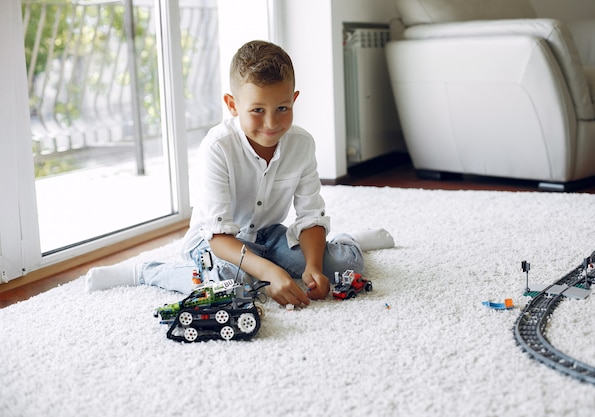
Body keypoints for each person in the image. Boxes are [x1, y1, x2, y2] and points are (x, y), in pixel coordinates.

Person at [85, 40, 394, 307]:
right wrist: (273, 273)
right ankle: (144, 272)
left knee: (343, 265)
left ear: (294, 100)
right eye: (257, 110)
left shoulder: (302, 144)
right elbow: (220, 239)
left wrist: (314, 266)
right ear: (233, 105)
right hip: (214, 242)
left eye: (282, 109)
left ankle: (343, 242)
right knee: (230, 285)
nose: (271, 123)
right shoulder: (217, 147)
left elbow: (310, 215)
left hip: (269, 235)